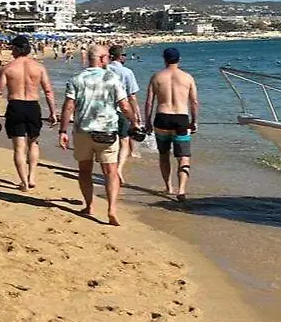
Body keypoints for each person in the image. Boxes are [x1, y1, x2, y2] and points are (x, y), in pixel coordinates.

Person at [58, 44, 135, 225]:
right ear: (101, 59)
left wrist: (62, 130)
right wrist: (134, 121)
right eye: (107, 56)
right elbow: (124, 105)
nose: (108, 59)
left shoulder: (77, 78)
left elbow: (69, 106)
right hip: (106, 131)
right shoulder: (112, 78)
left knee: (84, 171)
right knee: (111, 172)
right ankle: (112, 209)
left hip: (83, 131)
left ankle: (89, 205)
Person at [0, 35, 58, 191]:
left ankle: (24, 182)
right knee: (33, 142)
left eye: (12, 48)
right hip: (33, 107)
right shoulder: (39, 67)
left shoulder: (8, 68)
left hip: (15, 106)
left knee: (19, 147)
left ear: (17, 49)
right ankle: (31, 177)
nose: (11, 50)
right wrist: (53, 112)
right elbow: (48, 91)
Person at [144, 47, 199, 201]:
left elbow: (149, 102)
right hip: (181, 119)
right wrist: (194, 121)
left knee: (164, 155)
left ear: (164, 59)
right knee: (184, 157)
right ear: (179, 59)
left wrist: (147, 121)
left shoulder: (156, 77)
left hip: (162, 118)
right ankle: (181, 190)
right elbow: (194, 102)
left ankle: (169, 186)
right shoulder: (187, 77)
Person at [107, 45, 143, 182]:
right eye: (125, 55)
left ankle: (110, 166)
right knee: (124, 140)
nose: (126, 57)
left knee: (109, 140)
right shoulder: (127, 72)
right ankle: (119, 169)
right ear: (120, 56)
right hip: (121, 109)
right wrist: (137, 114)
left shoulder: (104, 69)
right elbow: (132, 96)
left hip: (105, 109)